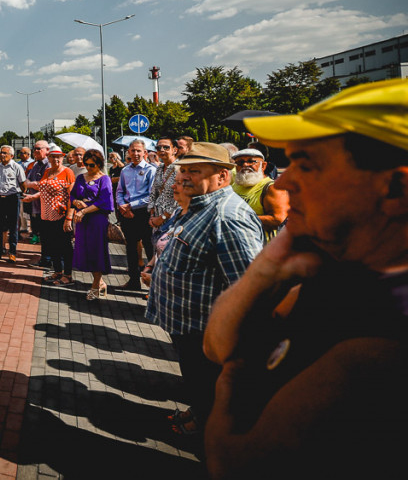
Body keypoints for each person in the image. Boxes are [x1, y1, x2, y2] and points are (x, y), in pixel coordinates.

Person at [202, 80, 408, 478]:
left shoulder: (379, 350)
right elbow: (217, 345)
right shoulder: (337, 266)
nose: (282, 182)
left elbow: (231, 462)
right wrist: (267, 266)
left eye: (308, 165)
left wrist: (234, 376)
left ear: (397, 189)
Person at [145, 142, 262, 437]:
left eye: (194, 171)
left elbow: (247, 287)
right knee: (197, 384)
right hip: (189, 327)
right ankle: (199, 412)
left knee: (207, 384)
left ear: (223, 176)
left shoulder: (228, 217)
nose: (183, 177)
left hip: (207, 332)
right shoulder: (199, 205)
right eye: (182, 170)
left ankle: (206, 430)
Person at [67, 149, 114, 300]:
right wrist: (75, 202)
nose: (88, 167)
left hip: (97, 220)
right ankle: (100, 282)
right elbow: (72, 194)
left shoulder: (104, 179)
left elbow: (104, 201)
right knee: (85, 250)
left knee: (96, 251)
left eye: (92, 165)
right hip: (82, 221)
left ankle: (95, 285)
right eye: (86, 165)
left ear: (99, 164)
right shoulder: (81, 177)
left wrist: (85, 211)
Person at [25, 146, 74, 283]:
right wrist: (34, 197)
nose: (56, 159)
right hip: (46, 215)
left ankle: (68, 275)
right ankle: (57, 271)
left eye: (59, 156)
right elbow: (44, 190)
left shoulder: (67, 172)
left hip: (61, 215)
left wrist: (69, 218)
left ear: (63, 158)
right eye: (53, 156)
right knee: (52, 245)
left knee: (64, 245)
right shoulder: (47, 171)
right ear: (49, 158)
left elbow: (72, 196)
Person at [114, 140, 156, 291]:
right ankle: (133, 280)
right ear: (129, 152)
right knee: (131, 247)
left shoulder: (151, 170)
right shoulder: (125, 170)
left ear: (145, 153)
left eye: (139, 151)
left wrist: (131, 205)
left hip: (143, 213)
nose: (136, 154)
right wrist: (121, 205)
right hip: (127, 213)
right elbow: (120, 191)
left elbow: (152, 195)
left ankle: (152, 284)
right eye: (133, 151)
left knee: (149, 248)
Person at [230, 148, 289, 241]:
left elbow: (278, 219)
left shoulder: (271, 188)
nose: (245, 165)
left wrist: (238, 218)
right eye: (240, 162)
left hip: (259, 246)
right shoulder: (235, 185)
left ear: (263, 166)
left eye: (251, 161)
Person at [0, 145, 27, 262]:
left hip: (12, 199)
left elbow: (23, 185)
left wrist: (18, 194)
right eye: (1, 153)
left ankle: (12, 252)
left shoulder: (16, 167)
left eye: (5, 153)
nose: (2, 155)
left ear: (12, 156)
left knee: (13, 227)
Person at [149, 137, 180, 237]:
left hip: (172, 218)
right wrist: (152, 215)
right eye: (159, 148)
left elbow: (178, 199)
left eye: (166, 147)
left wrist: (162, 218)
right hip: (157, 217)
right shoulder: (160, 168)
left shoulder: (180, 168)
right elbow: (154, 191)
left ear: (174, 150)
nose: (162, 150)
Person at [23, 140, 50, 248]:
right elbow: (27, 182)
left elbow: (46, 185)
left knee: (46, 234)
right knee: (40, 231)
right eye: (35, 149)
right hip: (35, 204)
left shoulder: (49, 165)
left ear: (47, 150)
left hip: (46, 205)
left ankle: (48, 260)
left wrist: (34, 184)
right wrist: (35, 184)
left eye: (39, 148)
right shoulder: (35, 165)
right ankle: (44, 259)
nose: (36, 151)